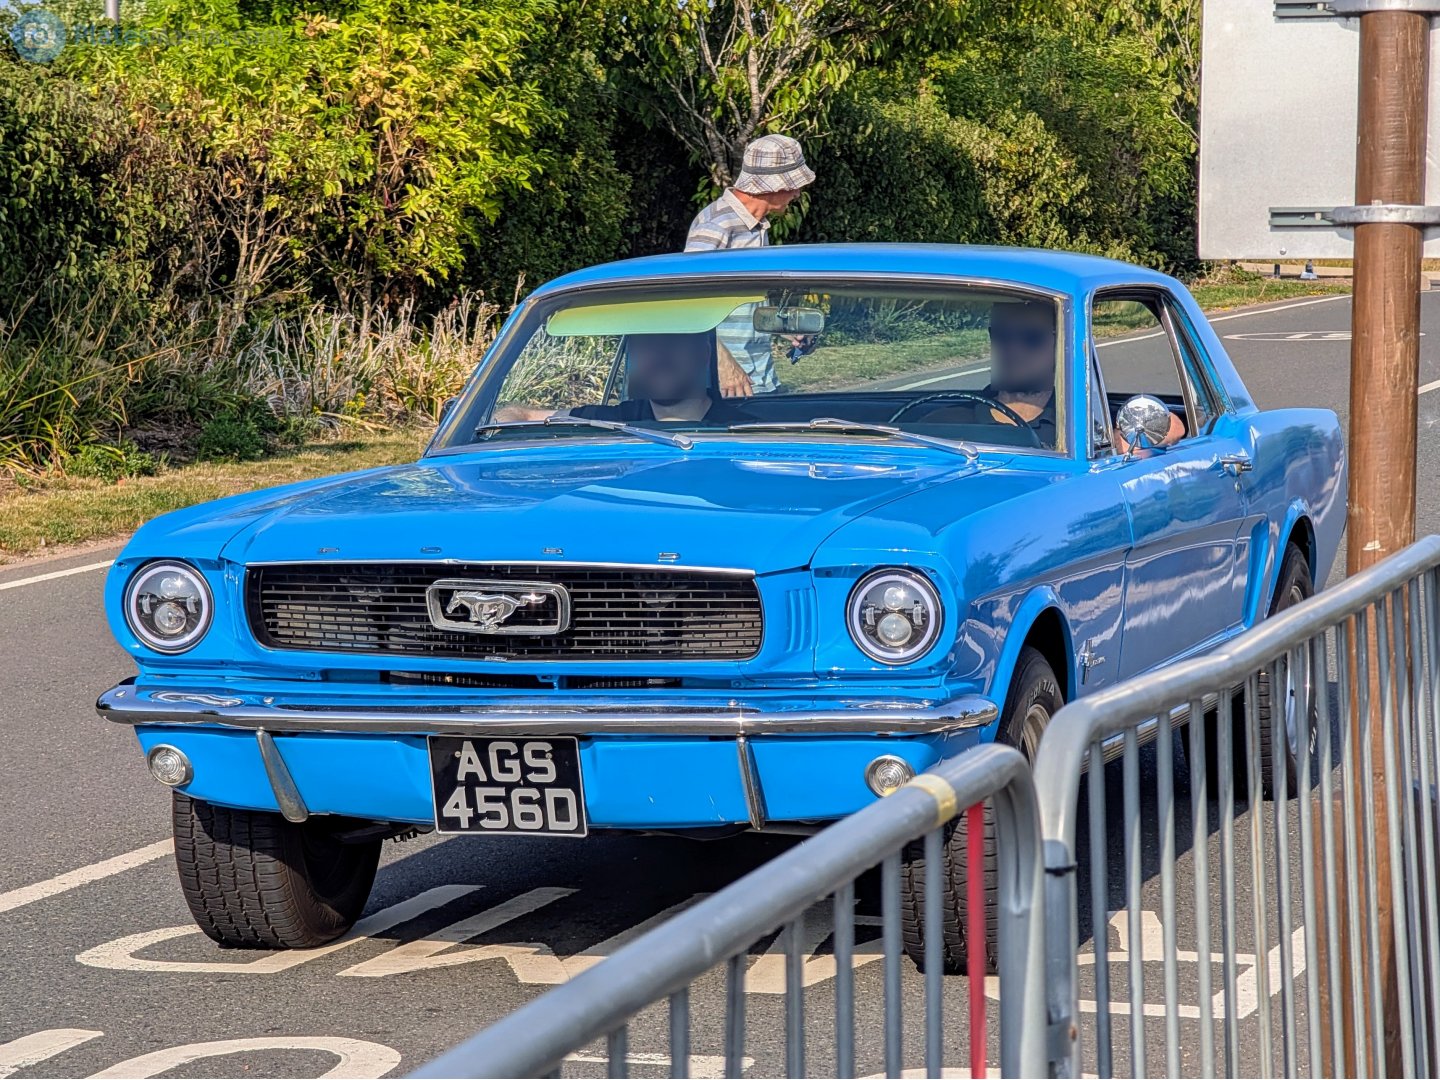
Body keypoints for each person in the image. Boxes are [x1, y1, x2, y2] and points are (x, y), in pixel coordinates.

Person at [919, 300, 1185, 452]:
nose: (1013, 349)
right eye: (1001, 336)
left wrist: (1119, 441)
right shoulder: (941, 422)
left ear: (1062, 346)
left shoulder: (1083, 425)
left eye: (1031, 338)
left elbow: (1172, 425)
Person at [685, 134, 816, 396]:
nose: (797, 193)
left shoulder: (754, 227)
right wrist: (722, 364)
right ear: (772, 185)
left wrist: (785, 328)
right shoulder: (718, 226)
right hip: (727, 385)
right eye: (793, 185)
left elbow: (740, 305)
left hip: (759, 376)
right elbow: (684, 305)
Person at [495, 331, 750, 425]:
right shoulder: (609, 422)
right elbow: (522, 416)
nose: (658, 355)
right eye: (646, 345)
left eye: (672, 341)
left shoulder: (744, 432)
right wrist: (497, 426)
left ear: (702, 355)